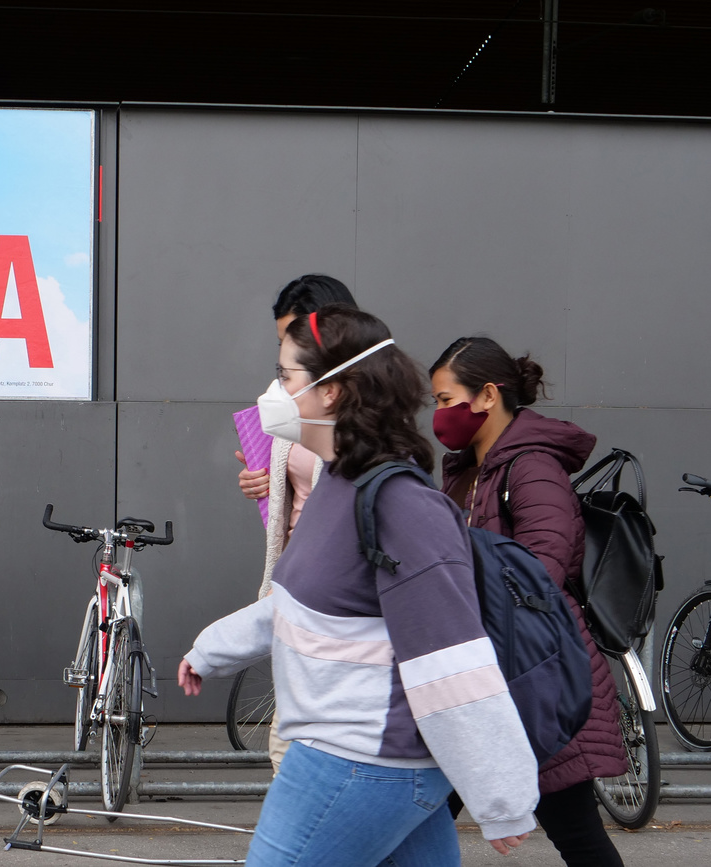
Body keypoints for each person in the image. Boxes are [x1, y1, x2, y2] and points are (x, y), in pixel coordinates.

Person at [182, 306, 538, 865]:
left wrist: (501, 797)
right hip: (354, 758)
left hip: (361, 763)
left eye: (286, 376)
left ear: (333, 392)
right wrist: (211, 651)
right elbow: (298, 603)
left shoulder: (402, 508)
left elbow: (452, 660)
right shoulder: (337, 481)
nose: (273, 393)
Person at [430, 337, 627, 867]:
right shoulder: (469, 471)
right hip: (486, 673)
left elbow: (541, 569)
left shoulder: (532, 468)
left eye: (447, 400)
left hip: (533, 671)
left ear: (488, 395)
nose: (439, 415)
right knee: (420, 819)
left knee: (578, 835)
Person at [234, 275, 357, 774]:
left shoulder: (362, 412)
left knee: (300, 748)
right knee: (292, 745)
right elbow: (293, 495)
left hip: (341, 606)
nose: (286, 351)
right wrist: (260, 483)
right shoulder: (288, 399)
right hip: (295, 589)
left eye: (294, 337)